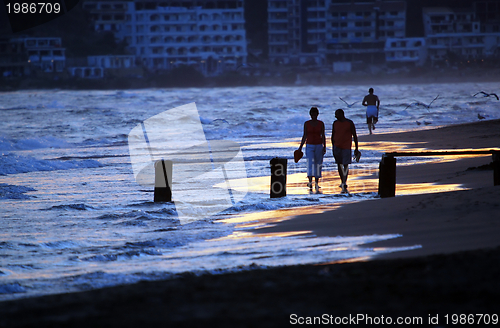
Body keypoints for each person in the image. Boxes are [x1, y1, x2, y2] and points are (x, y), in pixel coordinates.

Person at [297, 107, 326, 192]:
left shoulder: (321, 123)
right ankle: (310, 182)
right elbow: (305, 135)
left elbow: (323, 135)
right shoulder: (307, 123)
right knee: (310, 162)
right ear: (310, 115)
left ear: (317, 114)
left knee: (318, 163)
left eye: (315, 114)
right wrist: (300, 147)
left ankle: (316, 183)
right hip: (309, 145)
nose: (314, 116)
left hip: (319, 145)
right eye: (312, 114)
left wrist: (324, 146)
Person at [331, 109, 359, 193]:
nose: (335, 116)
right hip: (336, 146)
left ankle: (344, 181)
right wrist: (333, 146)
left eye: (337, 114)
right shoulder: (335, 123)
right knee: (339, 164)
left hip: (346, 147)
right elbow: (333, 135)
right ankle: (342, 180)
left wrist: (356, 148)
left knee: (345, 165)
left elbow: (354, 135)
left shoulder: (349, 123)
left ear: (342, 114)